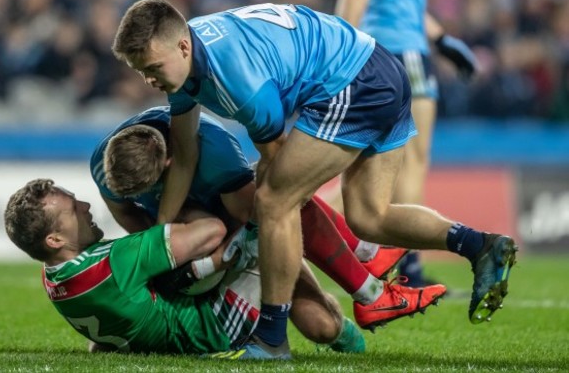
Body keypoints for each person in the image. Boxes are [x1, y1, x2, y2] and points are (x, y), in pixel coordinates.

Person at [111, 0, 517, 360]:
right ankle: (480, 246)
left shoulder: (236, 81)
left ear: (183, 47)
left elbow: (279, 174)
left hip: (354, 85)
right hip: (376, 69)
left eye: (152, 68)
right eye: (140, 71)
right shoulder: (184, 61)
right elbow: (184, 156)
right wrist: (161, 239)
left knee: (272, 200)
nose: (148, 80)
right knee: (369, 216)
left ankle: (271, 338)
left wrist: (243, 232)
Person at [93, 106, 445, 333]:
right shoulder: (105, 164)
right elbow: (126, 212)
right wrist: (162, 257)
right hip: (189, 239)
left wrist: (208, 265)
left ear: (170, 164)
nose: (139, 197)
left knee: (281, 200)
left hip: (233, 229)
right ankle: (365, 256)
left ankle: (364, 290)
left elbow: (255, 225)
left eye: (149, 188)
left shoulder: (216, 157)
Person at [3, 179, 363, 357]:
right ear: (53, 240)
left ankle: (333, 323)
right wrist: (176, 193)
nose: (84, 205)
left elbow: (103, 335)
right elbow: (211, 231)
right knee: (272, 203)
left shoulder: (53, 277)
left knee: (318, 323)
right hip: (221, 323)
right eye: (72, 209)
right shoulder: (116, 262)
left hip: (198, 316)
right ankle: (360, 258)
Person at [335, 0, 478, 288]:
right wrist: (337, 52)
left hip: (386, 48)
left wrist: (440, 37)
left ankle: (390, 259)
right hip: (398, 52)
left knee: (364, 165)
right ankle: (407, 267)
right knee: (409, 162)